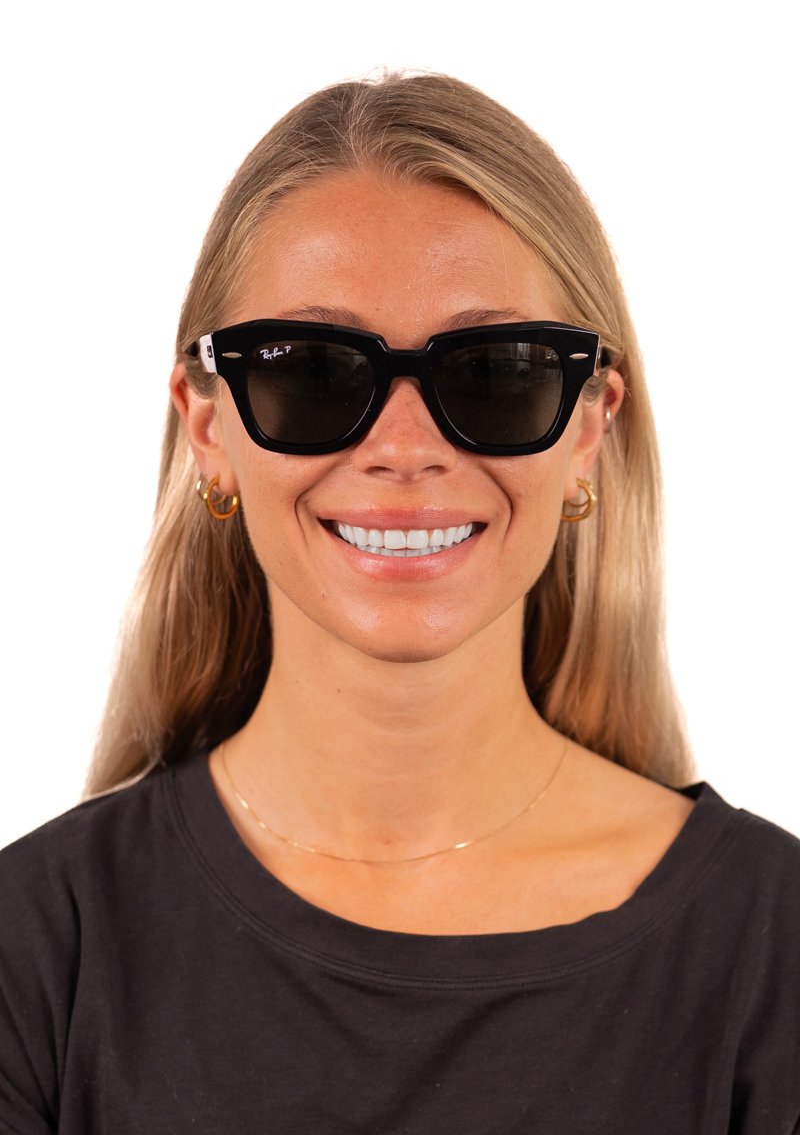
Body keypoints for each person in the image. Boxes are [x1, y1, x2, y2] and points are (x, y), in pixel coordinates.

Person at [1, 72, 798, 1134]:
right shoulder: (36, 950)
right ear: (207, 426)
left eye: (496, 370)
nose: (405, 449)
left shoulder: (772, 949)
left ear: (588, 430)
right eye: (313, 371)